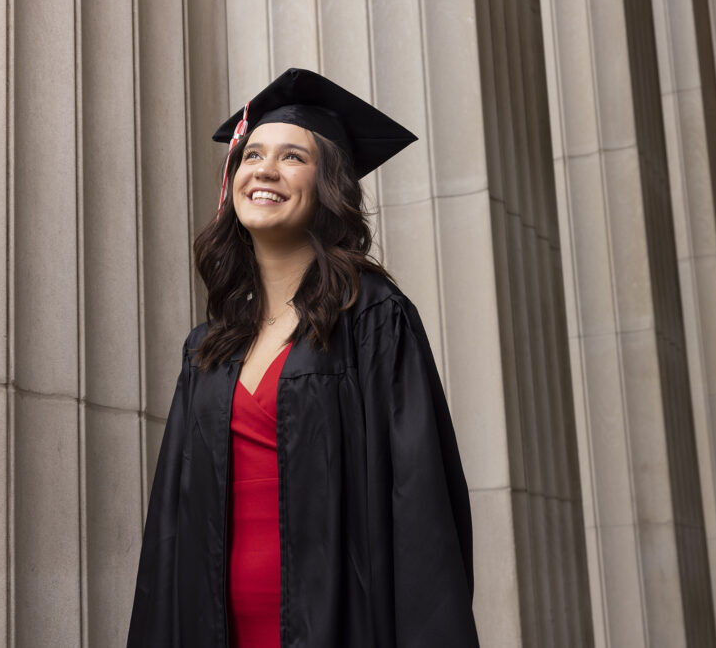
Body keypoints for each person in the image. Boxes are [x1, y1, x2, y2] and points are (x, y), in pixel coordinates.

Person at [127, 68, 479, 647]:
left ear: (328, 185)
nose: (264, 170)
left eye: (292, 156)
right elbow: (170, 526)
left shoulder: (372, 319)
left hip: (339, 629)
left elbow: (420, 508)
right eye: (252, 156)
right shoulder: (210, 347)